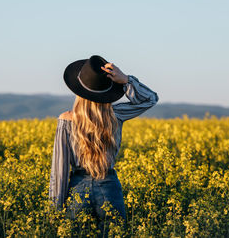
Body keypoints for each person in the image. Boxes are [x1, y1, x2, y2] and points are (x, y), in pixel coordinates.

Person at [49, 55, 159, 237]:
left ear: (78, 90)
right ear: (106, 90)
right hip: (109, 186)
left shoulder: (66, 120)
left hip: (78, 188)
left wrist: (53, 213)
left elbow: (58, 171)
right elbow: (151, 99)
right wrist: (126, 80)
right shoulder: (116, 115)